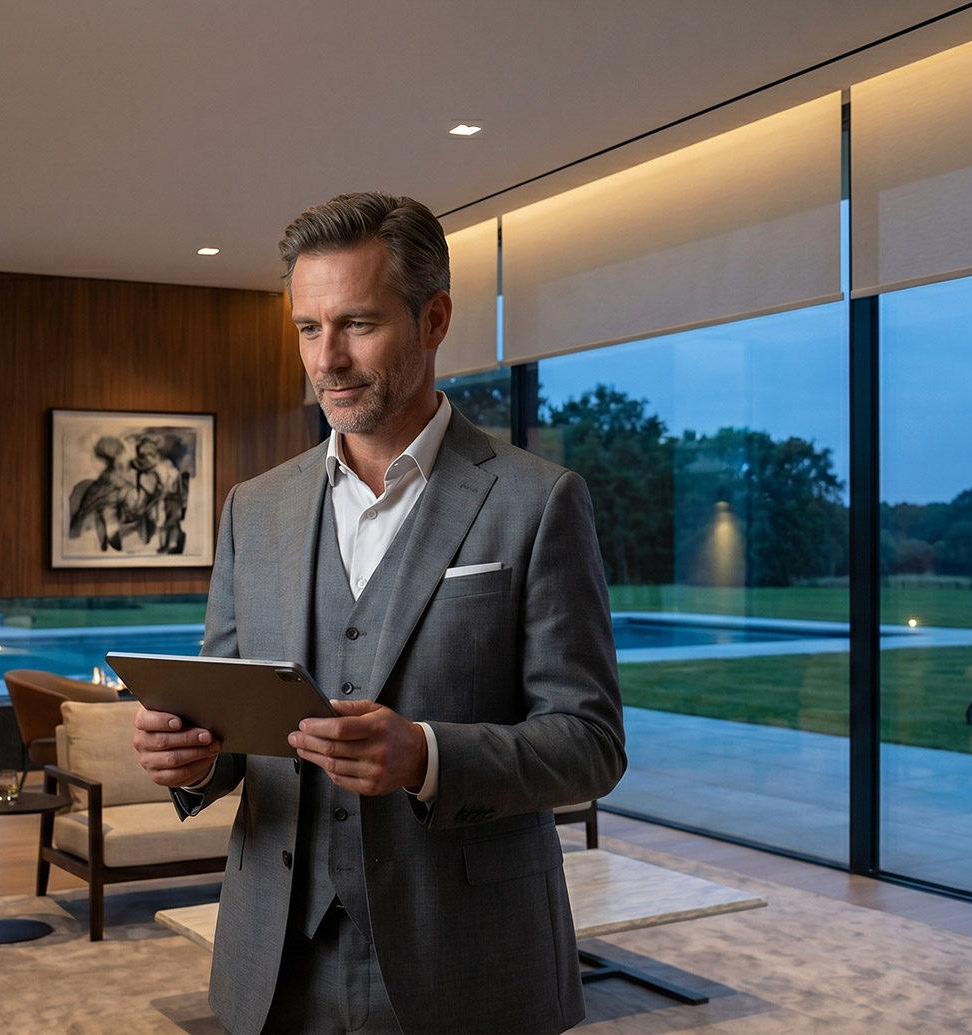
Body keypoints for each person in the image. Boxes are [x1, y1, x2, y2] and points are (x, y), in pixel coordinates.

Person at [132, 192, 625, 1034]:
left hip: (469, 958)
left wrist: (427, 754)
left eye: (357, 324)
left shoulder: (539, 501)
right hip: (273, 961)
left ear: (434, 320)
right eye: (308, 328)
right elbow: (230, 720)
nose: (327, 359)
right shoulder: (253, 508)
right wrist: (191, 758)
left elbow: (591, 742)